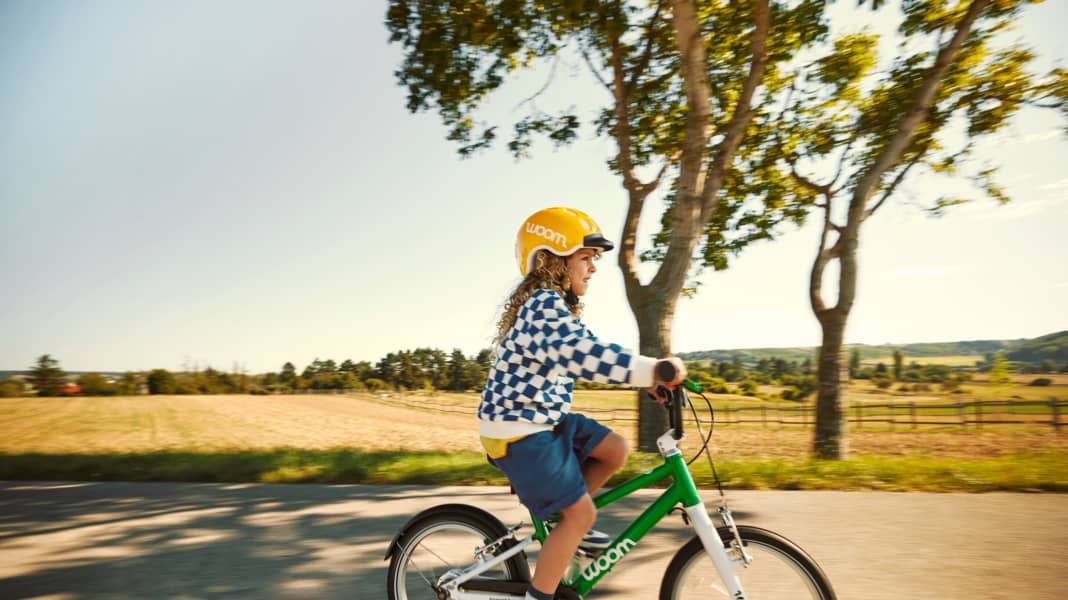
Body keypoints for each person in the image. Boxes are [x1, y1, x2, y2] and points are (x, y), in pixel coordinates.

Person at [478, 207, 686, 600]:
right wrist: (653, 370)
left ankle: (565, 523)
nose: (593, 267)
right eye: (585, 257)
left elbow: (595, 353)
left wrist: (645, 383)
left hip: (541, 419)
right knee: (582, 513)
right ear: (552, 258)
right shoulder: (542, 308)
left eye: (595, 260)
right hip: (517, 429)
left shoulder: (555, 308)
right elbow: (584, 354)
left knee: (614, 450)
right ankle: (546, 578)